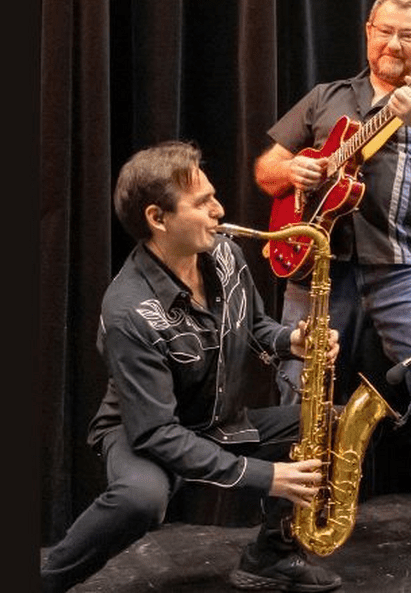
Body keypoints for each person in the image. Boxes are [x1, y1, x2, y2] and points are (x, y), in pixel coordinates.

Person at [40, 141, 342, 593]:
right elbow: (157, 433)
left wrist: (292, 341)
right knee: (140, 499)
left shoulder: (225, 254)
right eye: (203, 203)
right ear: (157, 219)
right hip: (145, 432)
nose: (220, 210)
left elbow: (255, 324)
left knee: (332, 424)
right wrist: (267, 478)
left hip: (217, 421)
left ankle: (272, 556)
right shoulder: (129, 310)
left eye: (214, 197)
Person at [253, 0, 411, 575]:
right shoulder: (327, 97)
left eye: (408, 35)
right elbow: (266, 169)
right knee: (296, 387)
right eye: (386, 31)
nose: (394, 43)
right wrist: (293, 167)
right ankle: (287, 529)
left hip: (407, 266)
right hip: (319, 266)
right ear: (368, 32)